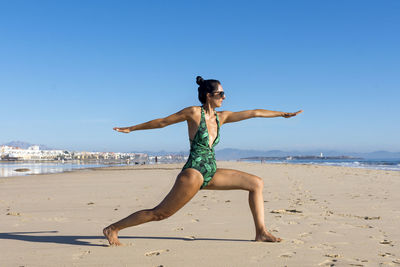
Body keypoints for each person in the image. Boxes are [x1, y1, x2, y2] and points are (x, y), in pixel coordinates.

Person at [104, 76, 303, 245]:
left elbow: (254, 113)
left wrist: (282, 114)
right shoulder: (193, 113)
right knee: (161, 213)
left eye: (224, 94)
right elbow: (163, 122)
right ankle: (113, 228)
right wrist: (132, 128)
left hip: (211, 170)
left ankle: (261, 232)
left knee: (256, 183)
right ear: (209, 95)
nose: (224, 98)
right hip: (194, 172)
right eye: (220, 94)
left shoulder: (221, 117)